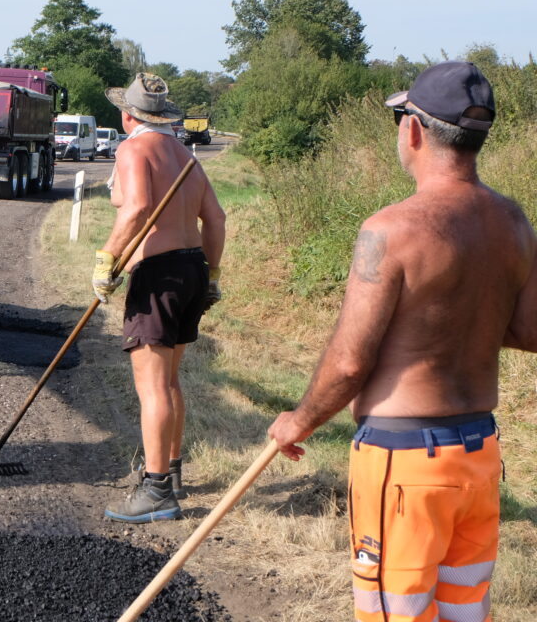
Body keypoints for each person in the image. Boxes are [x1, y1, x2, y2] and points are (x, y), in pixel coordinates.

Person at [268, 62, 537, 622]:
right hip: (479, 455)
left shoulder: (389, 230)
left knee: (398, 613)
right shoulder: (514, 222)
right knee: (466, 611)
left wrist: (299, 421)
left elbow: (349, 363)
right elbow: (529, 331)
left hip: (405, 463)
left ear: (413, 128)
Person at [94, 73, 226, 524]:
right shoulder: (186, 155)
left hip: (159, 275)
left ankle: (156, 492)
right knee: (168, 381)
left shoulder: (133, 149)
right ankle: (171, 470)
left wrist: (106, 260)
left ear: (128, 115)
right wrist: (212, 275)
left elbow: (137, 208)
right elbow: (216, 219)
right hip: (193, 269)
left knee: (152, 387)